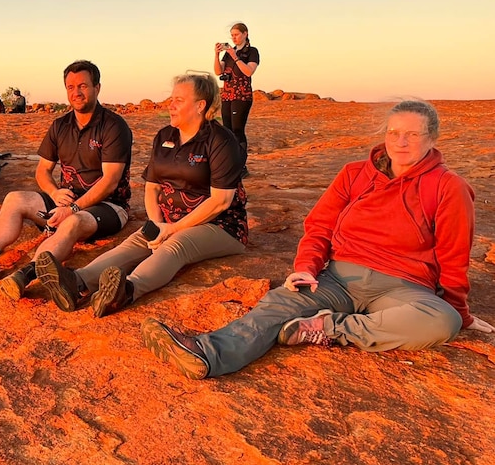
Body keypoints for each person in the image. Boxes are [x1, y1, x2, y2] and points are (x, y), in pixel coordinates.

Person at [142, 100, 495, 380]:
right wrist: (306, 267)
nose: (401, 142)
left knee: (440, 321)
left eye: (413, 135)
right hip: (340, 277)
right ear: (385, 134)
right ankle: (208, 353)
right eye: (394, 132)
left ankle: (327, 328)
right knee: (279, 303)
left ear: (432, 138)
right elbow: (320, 225)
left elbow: (453, 254)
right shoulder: (355, 173)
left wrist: (459, 313)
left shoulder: (449, 187)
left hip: (403, 287)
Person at [37, 73, 247, 317]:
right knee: (135, 243)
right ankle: (77, 282)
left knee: (176, 246)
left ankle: (126, 291)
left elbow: (220, 201)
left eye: (179, 100)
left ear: (200, 106)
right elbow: (152, 186)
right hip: (168, 220)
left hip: (220, 225)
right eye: (171, 98)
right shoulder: (165, 136)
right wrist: (157, 224)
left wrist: (173, 229)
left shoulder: (221, 140)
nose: (171, 105)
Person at [0, 60, 133, 306]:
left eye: (83, 86)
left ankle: (26, 274)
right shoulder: (60, 125)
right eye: (70, 87)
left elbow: (110, 181)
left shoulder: (114, 126)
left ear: (97, 87)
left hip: (108, 206)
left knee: (72, 222)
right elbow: (43, 170)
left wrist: (72, 208)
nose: (76, 92)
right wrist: (54, 192)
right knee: (15, 198)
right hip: (67, 200)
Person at [213, 22, 259, 178]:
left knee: (237, 130)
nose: (234, 38)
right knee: (227, 130)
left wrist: (236, 56)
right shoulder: (228, 53)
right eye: (232, 35)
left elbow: (248, 72)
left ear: (245, 34)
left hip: (242, 95)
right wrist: (216, 54)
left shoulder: (251, 51)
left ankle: (241, 166)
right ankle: (231, 164)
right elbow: (218, 71)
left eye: (236, 34)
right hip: (227, 95)